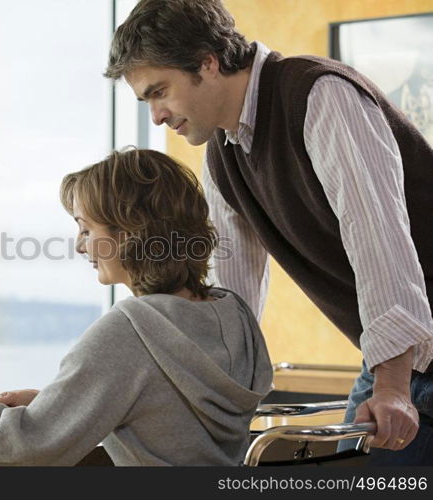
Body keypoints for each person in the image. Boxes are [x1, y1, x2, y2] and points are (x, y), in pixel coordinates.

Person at [105, 0, 433, 464]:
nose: (156, 115)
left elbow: (380, 245)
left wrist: (394, 388)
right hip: (404, 357)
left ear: (208, 62)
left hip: (406, 360)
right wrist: (94, 394)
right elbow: (231, 308)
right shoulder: (223, 154)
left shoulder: (320, 96)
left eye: (161, 92)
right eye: (146, 102)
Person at [0, 148, 273, 466]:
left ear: (130, 233)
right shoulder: (234, 314)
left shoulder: (130, 329)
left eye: (86, 229)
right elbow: (172, 417)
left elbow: (27, 446)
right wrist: (65, 403)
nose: (79, 244)